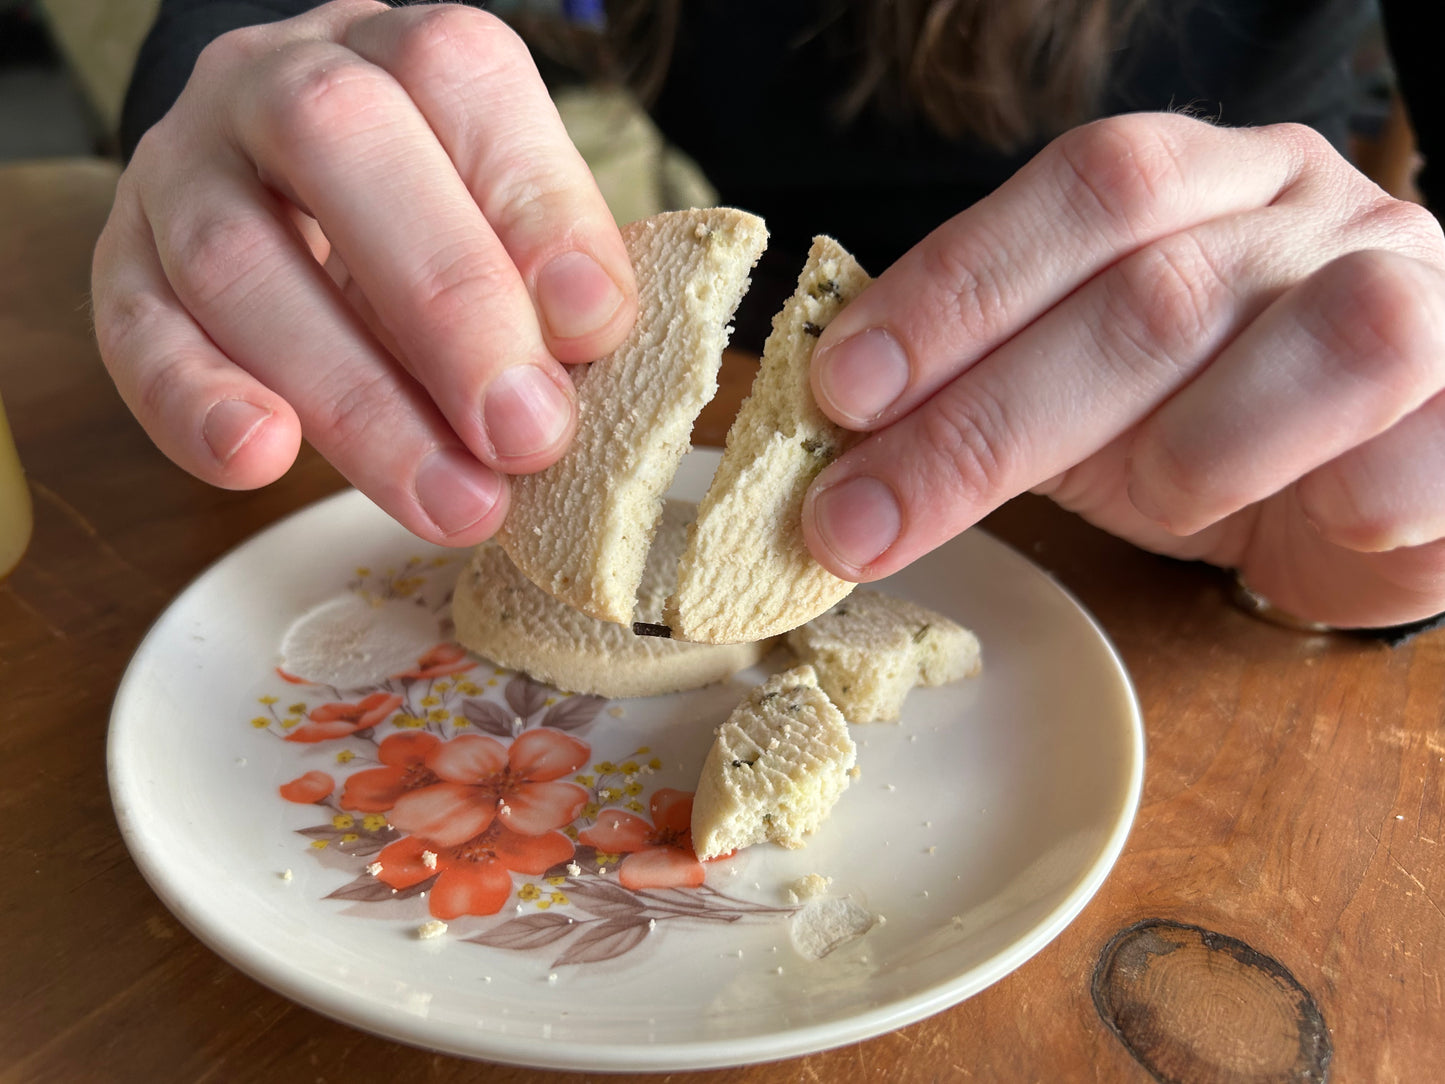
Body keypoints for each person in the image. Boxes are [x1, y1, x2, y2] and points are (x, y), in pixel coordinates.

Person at [93, 0, 1445, 631]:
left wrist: (1378, 463)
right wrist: (254, 113)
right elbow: (261, 23)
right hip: (754, 411)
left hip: (1230, 438)